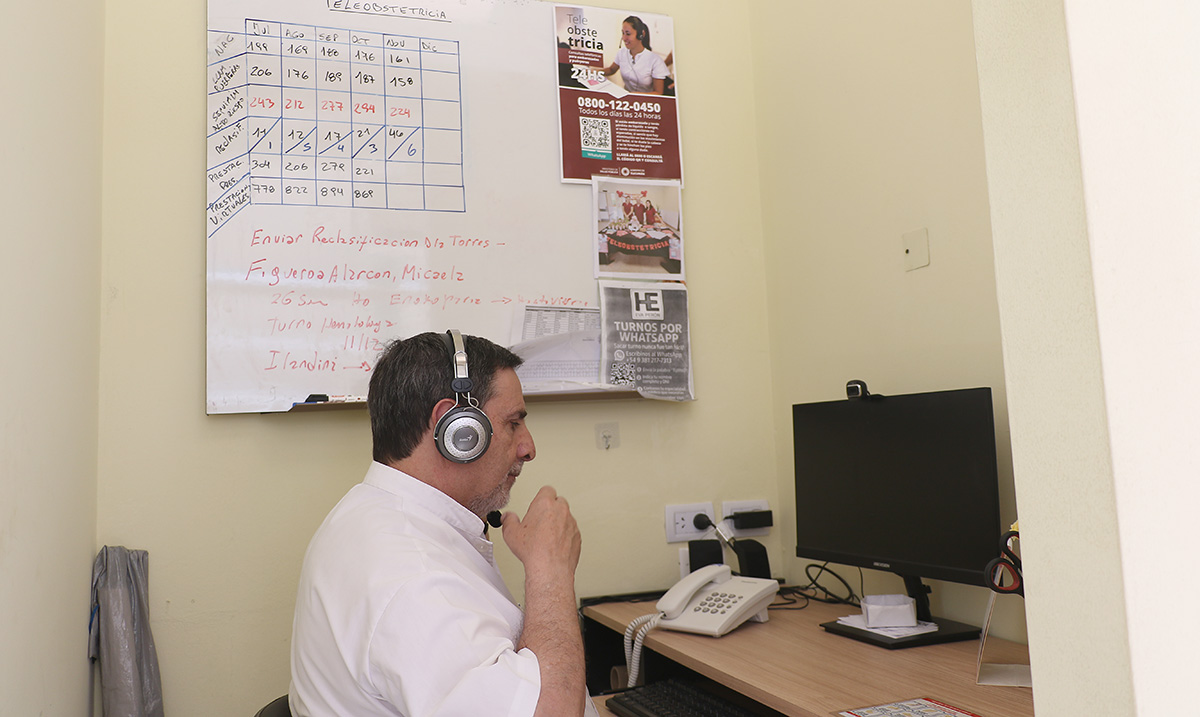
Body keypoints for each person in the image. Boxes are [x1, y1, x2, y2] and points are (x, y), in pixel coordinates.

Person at [289, 331, 594, 717]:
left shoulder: (370, 513)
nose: (528, 448)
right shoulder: (414, 576)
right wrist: (551, 571)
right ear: (457, 430)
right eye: (513, 423)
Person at [602, 15, 669, 95]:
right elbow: (611, 70)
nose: (624, 38)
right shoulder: (622, 52)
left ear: (641, 35)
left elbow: (658, 92)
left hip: (645, 100)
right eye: (623, 33)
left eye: (628, 34)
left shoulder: (655, 60)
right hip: (626, 96)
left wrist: (636, 95)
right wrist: (594, 72)